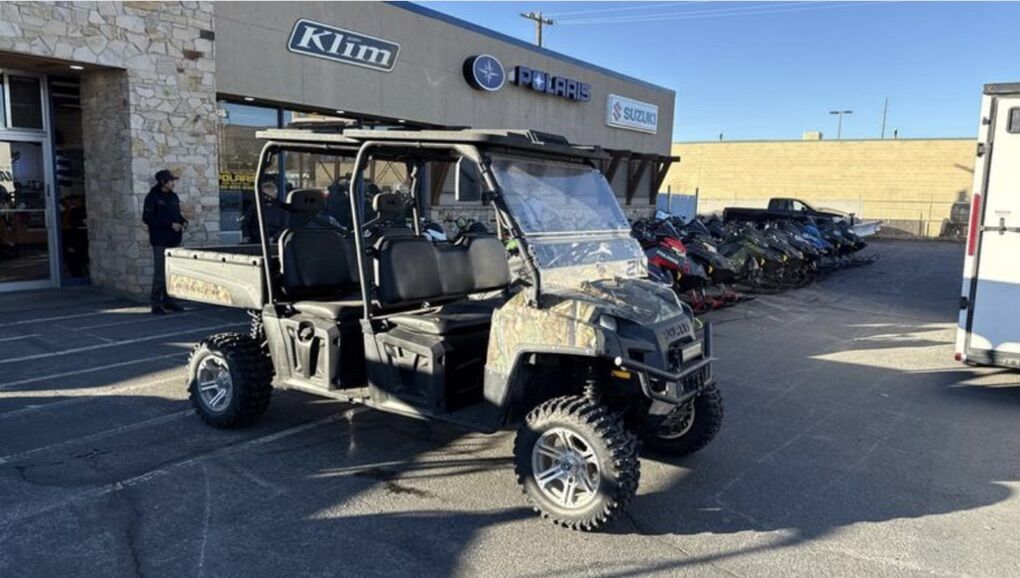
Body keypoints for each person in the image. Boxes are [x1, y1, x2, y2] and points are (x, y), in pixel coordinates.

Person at [142, 169, 188, 314]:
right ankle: (156, 304)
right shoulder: (152, 197)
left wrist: (182, 221)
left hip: (174, 240)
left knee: (172, 273)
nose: (173, 183)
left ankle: (169, 301)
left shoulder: (173, 196)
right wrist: (169, 224)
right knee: (160, 274)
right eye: (171, 181)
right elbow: (147, 218)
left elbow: (176, 214)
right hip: (160, 241)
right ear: (163, 182)